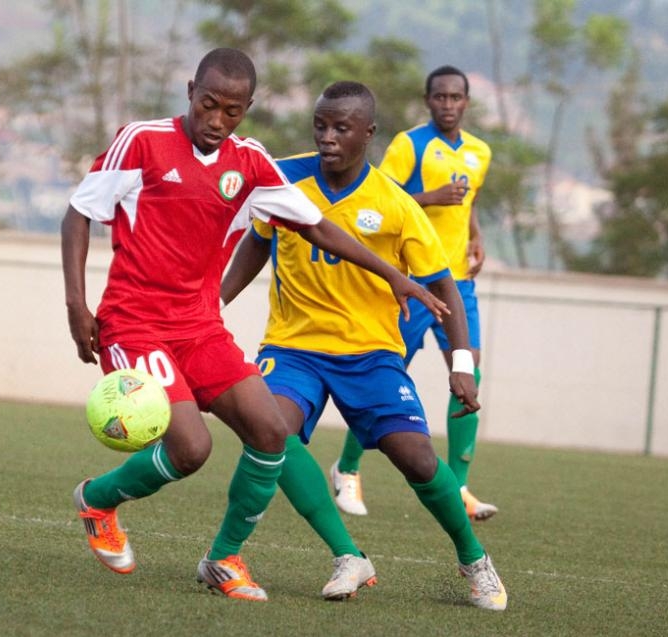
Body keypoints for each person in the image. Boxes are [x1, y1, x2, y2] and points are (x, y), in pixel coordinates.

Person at [61, 49, 446, 603]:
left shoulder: (250, 161)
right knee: (192, 448)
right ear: (191, 90)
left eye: (232, 111)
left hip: (200, 327)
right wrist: (78, 307)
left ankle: (225, 559)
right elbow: (78, 214)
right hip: (135, 322)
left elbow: (317, 228)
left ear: (247, 108)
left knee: (271, 432)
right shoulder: (142, 140)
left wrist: (395, 277)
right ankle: (98, 500)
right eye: (208, 104)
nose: (217, 121)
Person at [221, 81, 507, 610]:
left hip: (371, 352)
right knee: (270, 433)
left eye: (341, 128)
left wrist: (461, 364)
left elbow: (443, 283)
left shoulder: (396, 204)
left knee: (418, 459)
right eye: (320, 126)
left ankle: (474, 560)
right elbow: (256, 245)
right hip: (293, 347)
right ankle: (339, 554)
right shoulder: (284, 178)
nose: (328, 137)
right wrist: (211, 303)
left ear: (368, 134)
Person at [330, 65, 498, 521]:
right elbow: (377, 198)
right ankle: (347, 469)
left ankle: (459, 487)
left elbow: (470, 204)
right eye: (440, 97)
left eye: (456, 97)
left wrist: (475, 236)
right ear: (428, 100)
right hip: (411, 280)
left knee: (469, 374)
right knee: (384, 375)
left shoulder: (480, 152)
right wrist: (432, 196)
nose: (448, 104)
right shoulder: (410, 145)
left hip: (456, 280)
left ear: (466, 101)